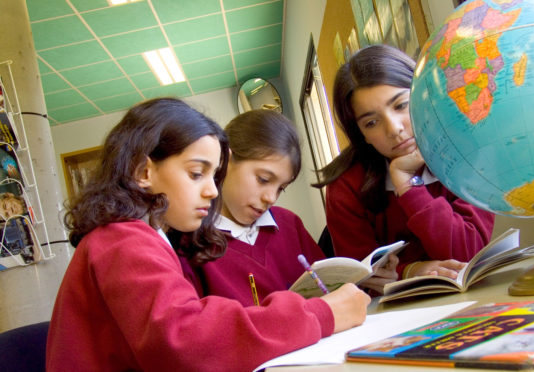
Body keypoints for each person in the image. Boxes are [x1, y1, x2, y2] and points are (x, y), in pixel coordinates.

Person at [46, 98, 370, 372]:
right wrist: (321, 314)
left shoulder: (134, 235)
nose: (212, 190)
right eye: (197, 173)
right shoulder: (122, 240)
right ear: (143, 172)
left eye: (215, 176)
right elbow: (185, 339)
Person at [314, 44, 495, 280]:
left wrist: (409, 186)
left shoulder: (464, 150)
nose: (394, 129)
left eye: (401, 105)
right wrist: (409, 271)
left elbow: (467, 254)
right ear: (361, 135)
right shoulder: (346, 185)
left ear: (423, 96)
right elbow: (358, 277)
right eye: (371, 123)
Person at [193, 109, 394, 303]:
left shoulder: (288, 224)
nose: (271, 197)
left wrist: (365, 283)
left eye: (282, 188)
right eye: (263, 179)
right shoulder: (192, 240)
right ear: (224, 160)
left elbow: (331, 289)